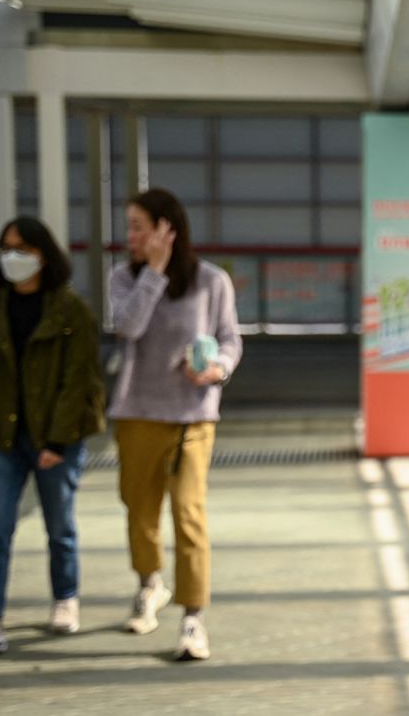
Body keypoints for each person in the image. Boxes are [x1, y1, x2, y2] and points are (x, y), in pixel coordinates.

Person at [0, 216, 105, 653]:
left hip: (54, 439)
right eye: (6, 248)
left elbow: (79, 381)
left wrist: (57, 442)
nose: (11, 257)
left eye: (21, 248)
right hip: (2, 439)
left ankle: (65, 597)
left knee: (59, 525)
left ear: (43, 255)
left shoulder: (70, 311)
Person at [109, 187, 241, 661]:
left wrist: (217, 369)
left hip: (192, 416)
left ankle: (193, 619)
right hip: (138, 413)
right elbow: (126, 328)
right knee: (140, 513)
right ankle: (150, 584)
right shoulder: (124, 278)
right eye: (130, 226)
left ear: (168, 228)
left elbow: (230, 340)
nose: (130, 236)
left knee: (189, 513)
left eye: (138, 226)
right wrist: (155, 273)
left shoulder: (212, 281)